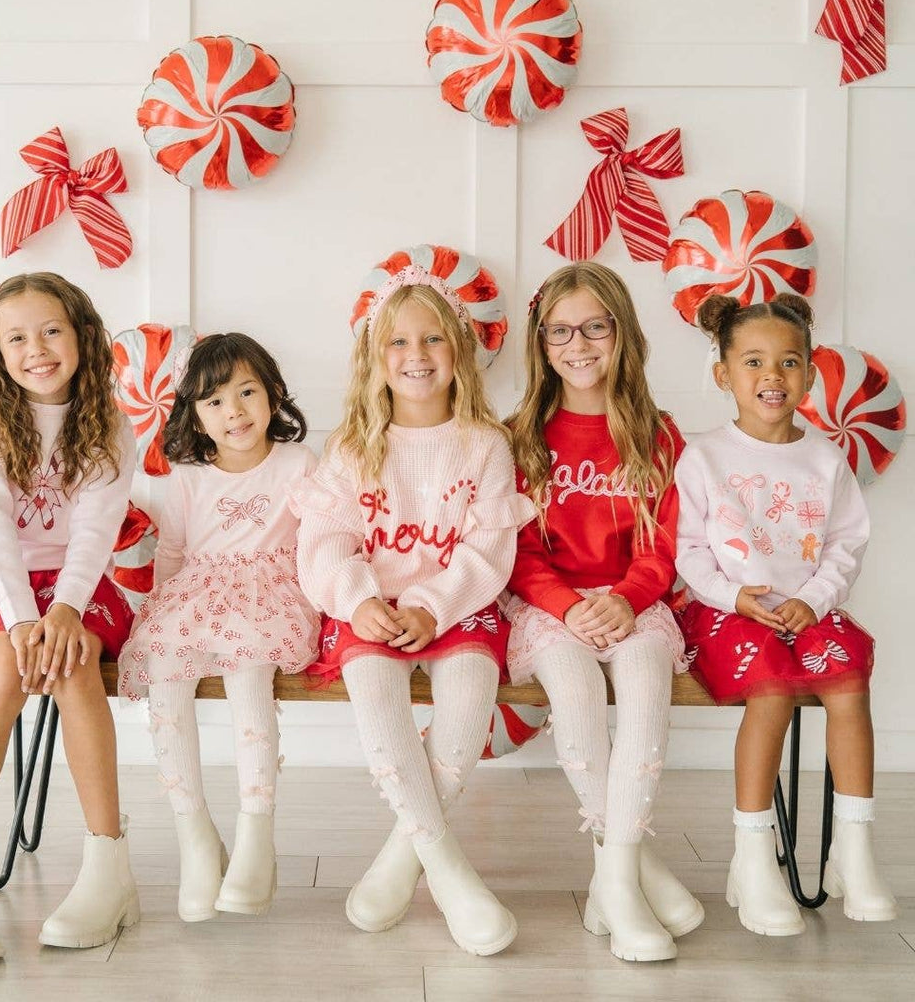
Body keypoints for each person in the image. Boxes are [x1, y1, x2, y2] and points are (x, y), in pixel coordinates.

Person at [293, 265, 535, 956]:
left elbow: (489, 548)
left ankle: (401, 861)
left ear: (459, 351)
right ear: (374, 357)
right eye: (397, 343)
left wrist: (432, 603)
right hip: (367, 610)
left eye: (433, 339)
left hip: (460, 606)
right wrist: (361, 598)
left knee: (466, 705)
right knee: (377, 700)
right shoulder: (350, 448)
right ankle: (451, 873)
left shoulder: (484, 444)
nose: (417, 355)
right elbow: (327, 541)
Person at [0, 273, 138, 962]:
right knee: (9, 667)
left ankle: (108, 869)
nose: (36, 349)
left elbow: (97, 531)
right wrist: (19, 619)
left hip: (77, 577)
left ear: (81, 335)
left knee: (72, 665)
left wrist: (65, 609)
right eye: (17, 338)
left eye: (51, 331)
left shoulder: (111, 419)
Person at [676, 292, 896, 935]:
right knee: (770, 687)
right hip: (728, 611)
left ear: (808, 372)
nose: (772, 376)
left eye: (789, 362)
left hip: (806, 609)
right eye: (753, 362)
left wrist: (815, 600)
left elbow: (845, 544)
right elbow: (685, 550)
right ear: (724, 374)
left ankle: (851, 852)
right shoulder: (706, 456)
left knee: (848, 675)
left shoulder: (826, 459)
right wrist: (732, 595)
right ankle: (753, 856)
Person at [506, 262, 702, 962]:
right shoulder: (521, 435)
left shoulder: (659, 433)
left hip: (634, 602)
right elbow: (521, 552)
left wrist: (625, 598)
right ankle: (629, 878)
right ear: (541, 341)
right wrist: (567, 606)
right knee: (577, 688)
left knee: (648, 680)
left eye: (595, 326)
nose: (578, 343)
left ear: (622, 333)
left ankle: (611, 880)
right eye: (560, 330)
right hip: (545, 606)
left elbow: (666, 543)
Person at [118, 333, 320, 921]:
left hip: (270, 596)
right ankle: (195, 834)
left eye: (247, 393)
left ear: (274, 394)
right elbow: (175, 554)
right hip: (197, 594)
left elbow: (317, 543)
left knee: (248, 676)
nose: (233, 412)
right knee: (167, 681)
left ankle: (257, 830)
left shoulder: (298, 464)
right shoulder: (186, 475)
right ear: (195, 415)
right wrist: (161, 616)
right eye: (213, 402)